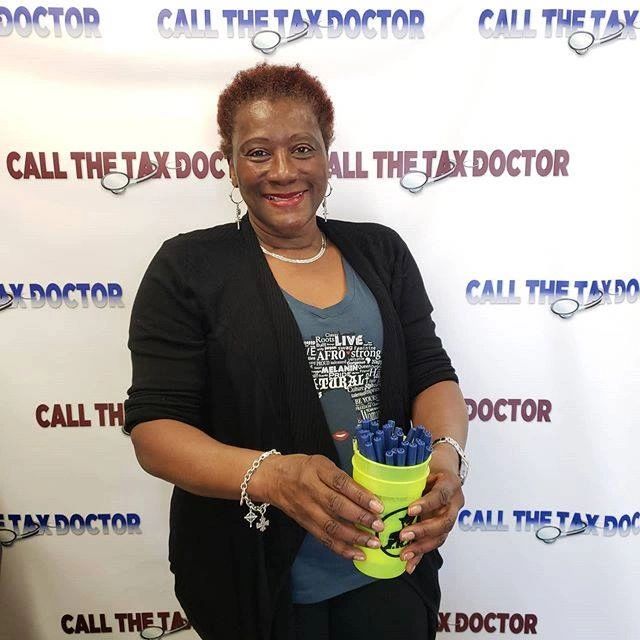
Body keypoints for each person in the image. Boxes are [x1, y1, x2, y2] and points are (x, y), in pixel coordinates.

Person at [123, 62, 469, 640]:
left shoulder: (381, 252)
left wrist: (445, 459)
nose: (283, 171)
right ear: (230, 163)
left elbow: (431, 372)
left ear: (328, 154)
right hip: (254, 578)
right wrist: (274, 476)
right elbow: (155, 429)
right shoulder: (187, 268)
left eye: (302, 148)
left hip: (390, 564)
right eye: (258, 152)